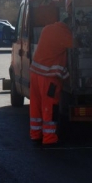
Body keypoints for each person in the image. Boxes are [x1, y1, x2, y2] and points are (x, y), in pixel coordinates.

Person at [29, 17, 74, 146]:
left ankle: (36, 134)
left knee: (36, 105)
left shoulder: (47, 28)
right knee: (49, 106)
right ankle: (49, 138)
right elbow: (77, 45)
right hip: (48, 77)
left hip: (35, 73)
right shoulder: (64, 34)